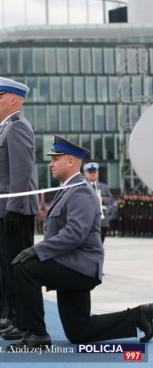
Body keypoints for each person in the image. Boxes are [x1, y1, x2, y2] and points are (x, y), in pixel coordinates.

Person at [8, 135, 153, 351]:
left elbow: (75, 233)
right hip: (72, 265)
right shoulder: (68, 189)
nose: (50, 163)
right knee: (79, 332)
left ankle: (35, 335)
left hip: (79, 267)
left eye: (56, 158)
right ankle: (140, 315)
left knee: (24, 268)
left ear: (71, 161)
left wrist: (36, 250)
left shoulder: (81, 191)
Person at [0, 76, 39, 338]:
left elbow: (21, 173)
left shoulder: (17, 127)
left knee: (18, 269)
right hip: (0, 209)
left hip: (13, 211)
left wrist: (14, 208)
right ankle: (13, 316)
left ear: (14, 100)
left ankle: (23, 322)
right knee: (7, 268)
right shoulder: (5, 129)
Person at [83, 162, 115, 243]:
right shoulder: (82, 187)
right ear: (85, 174)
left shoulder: (104, 187)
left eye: (95, 172)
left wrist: (103, 199)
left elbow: (111, 201)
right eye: (90, 172)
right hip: (87, 221)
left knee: (100, 244)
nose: (93, 174)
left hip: (102, 222)